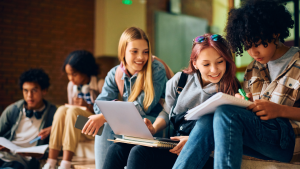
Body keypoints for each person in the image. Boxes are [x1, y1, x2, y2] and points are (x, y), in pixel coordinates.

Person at [173, 0, 300, 168]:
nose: (253, 52)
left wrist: (279, 110)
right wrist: (243, 102)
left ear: (275, 33)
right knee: (208, 118)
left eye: (258, 44)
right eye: (247, 46)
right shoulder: (252, 69)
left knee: (228, 113)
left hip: (288, 139)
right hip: (258, 137)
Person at [102, 33, 241, 169]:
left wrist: (195, 142)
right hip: (174, 145)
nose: (214, 69)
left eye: (220, 62)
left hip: (204, 153)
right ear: (195, 63)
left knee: (140, 153)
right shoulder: (181, 80)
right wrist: (154, 128)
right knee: (117, 149)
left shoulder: (232, 89)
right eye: (206, 64)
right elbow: (167, 111)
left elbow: (230, 134)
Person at [81, 27, 169, 169]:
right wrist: (109, 113)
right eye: (134, 51)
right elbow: (99, 106)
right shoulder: (115, 73)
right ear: (123, 51)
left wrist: (107, 115)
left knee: (106, 121)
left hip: (154, 123)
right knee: (104, 122)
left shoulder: (156, 69)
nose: (141, 57)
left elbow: (142, 107)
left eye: (145, 52)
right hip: (130, 121)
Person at [42, 50, 104, 169]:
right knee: (62, 110)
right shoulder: (71, 86)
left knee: (72, 111)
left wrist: (88, 107)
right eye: (68, 74)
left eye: (74, 74)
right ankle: (50, 162)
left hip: (96, 128)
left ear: (85, 71)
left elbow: (107, 116)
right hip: (78, 127)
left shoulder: (100, 84)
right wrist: (53, 127)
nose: (70, 78)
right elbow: (68, 115)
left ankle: (65, 163)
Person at [0, 69, 57, 169]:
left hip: (22, 162)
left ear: (44, 90)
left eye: (34, 90)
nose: (29, 95)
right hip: (4, 156)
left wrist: (54, 128)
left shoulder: (53, 113)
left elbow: (58, 146)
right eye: (25, 90)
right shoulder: (13, 110)